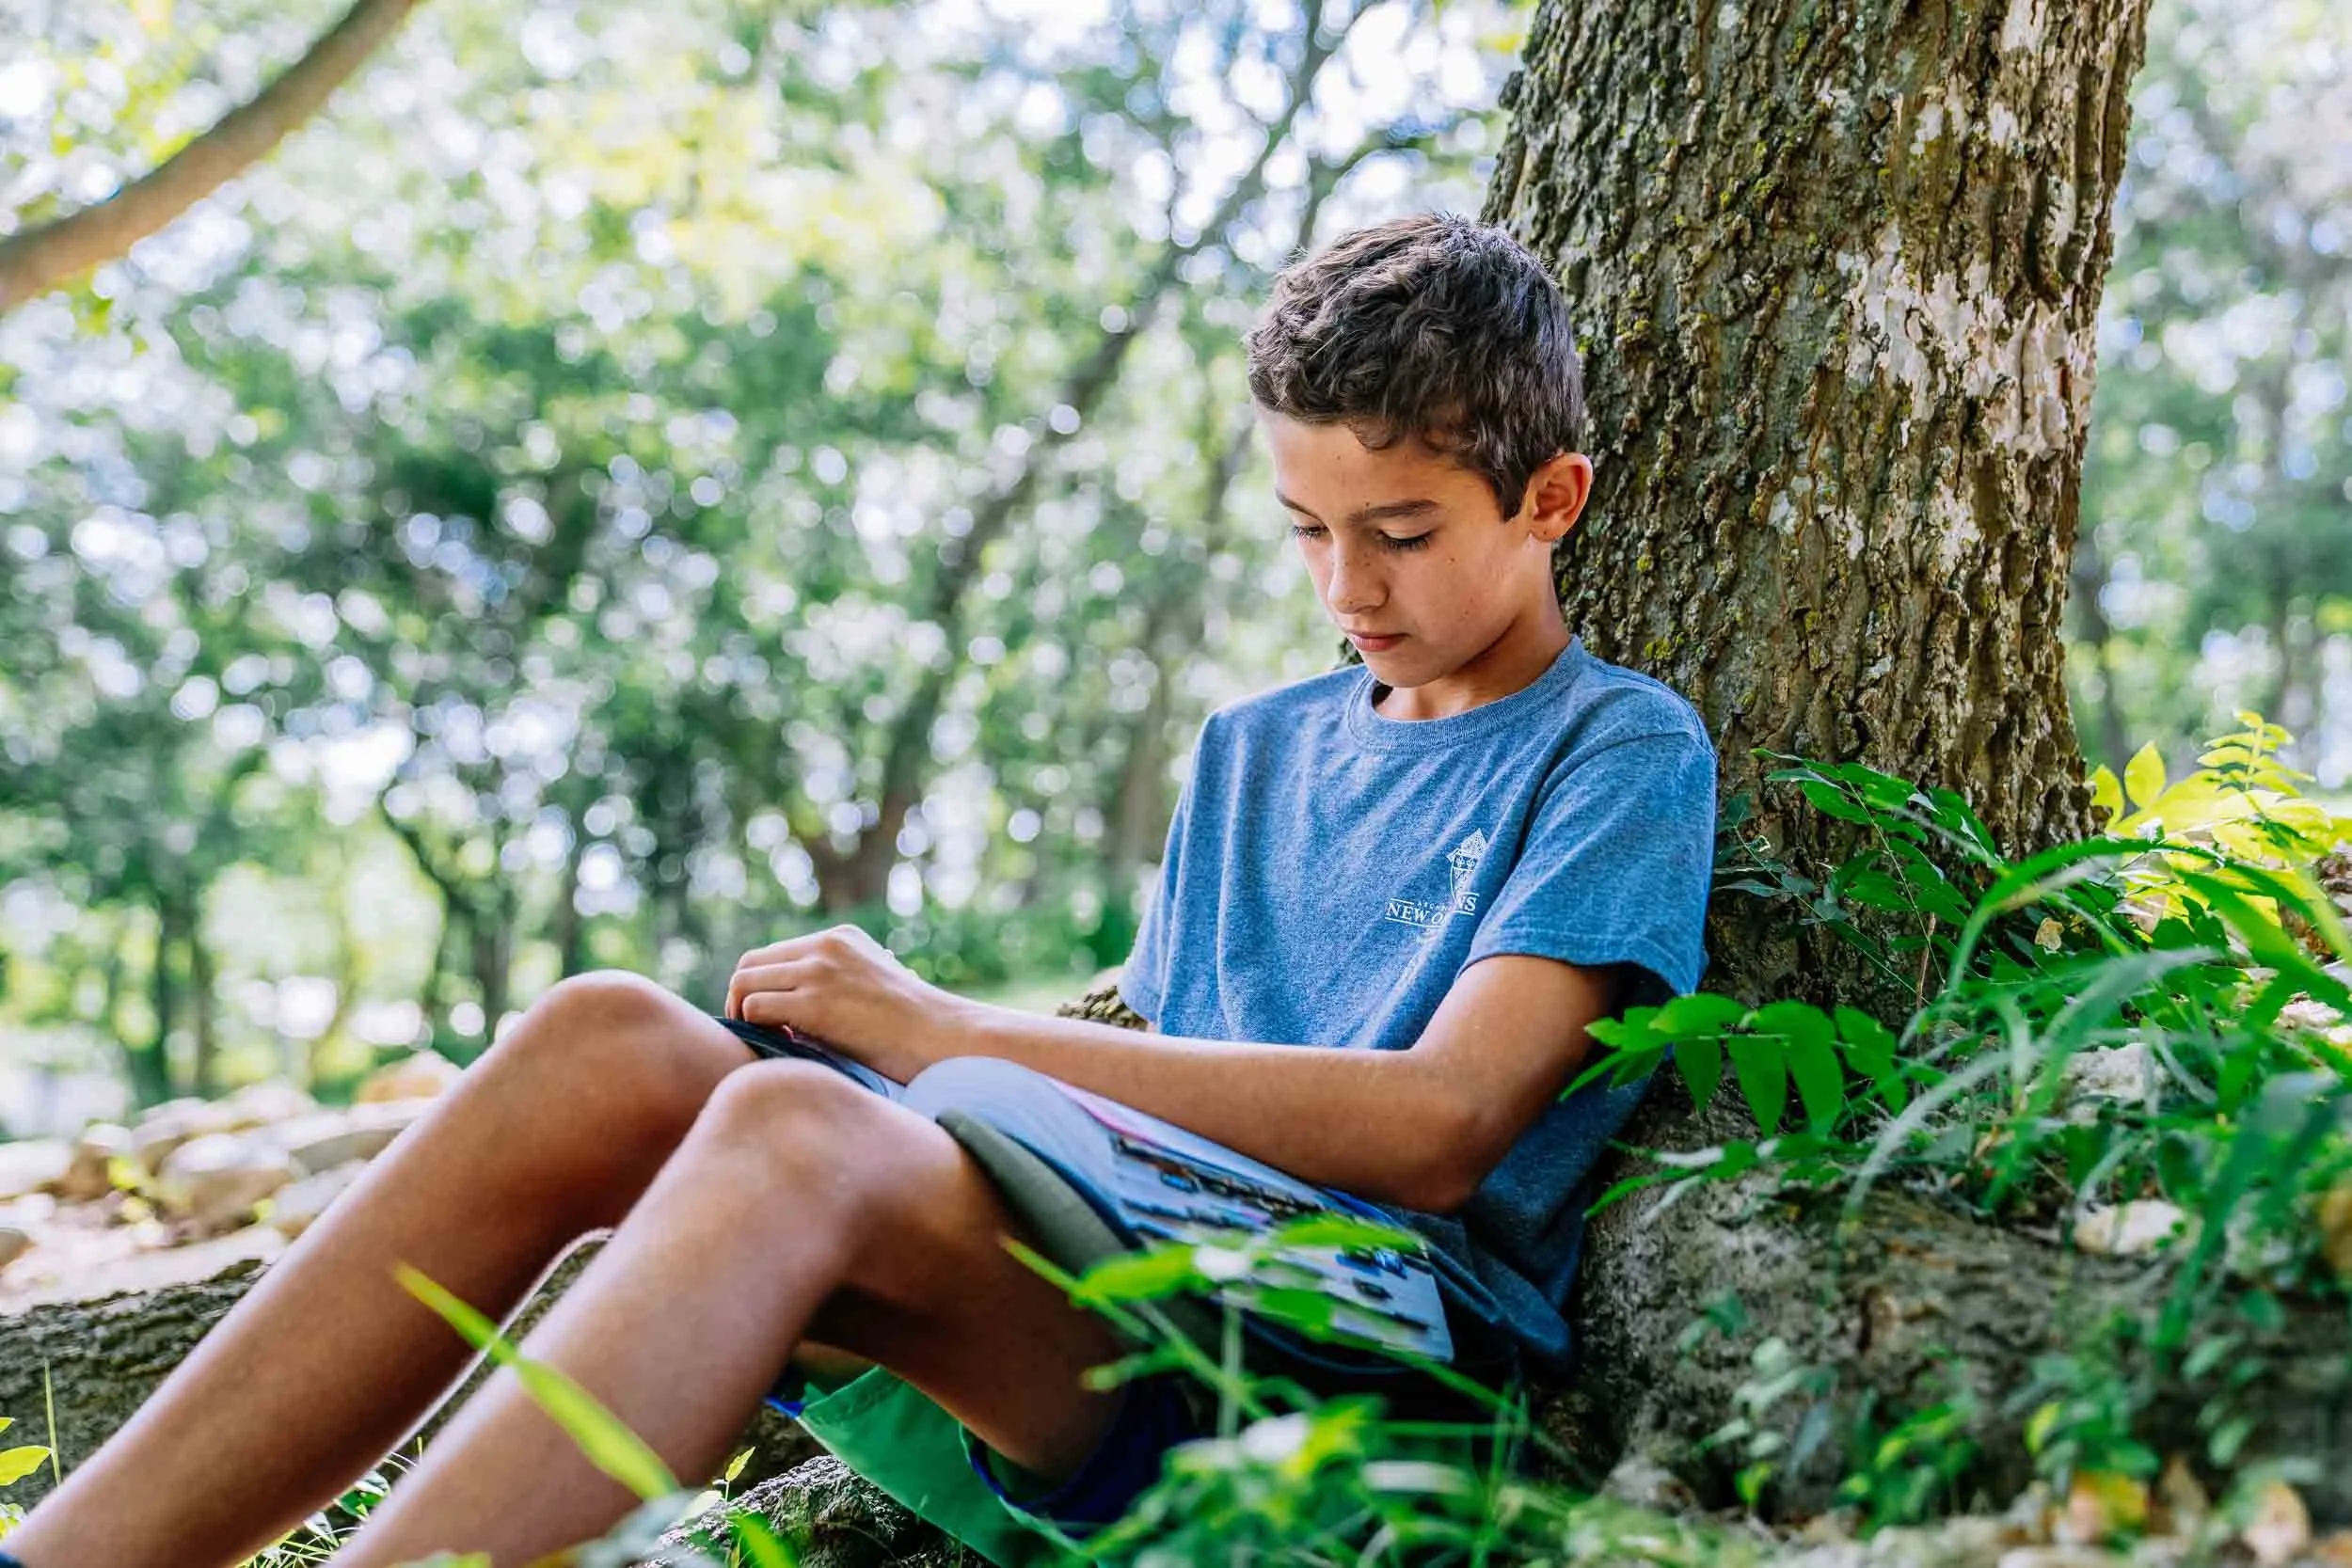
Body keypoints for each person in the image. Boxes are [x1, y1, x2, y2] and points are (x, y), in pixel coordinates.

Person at [0, 213, 1715, 1568]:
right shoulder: (1258, 745)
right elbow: (1160, 1091)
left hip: (1351, 1368)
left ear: (1547, 498)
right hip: (1129, 1264)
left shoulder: (1617, 749)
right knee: (607, 1039)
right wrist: (934, 1062)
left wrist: (939, 1028)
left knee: (795, 1136)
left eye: (1402, 533)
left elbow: (1440, 1122)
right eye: (1304, 529)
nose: (1348, 583)